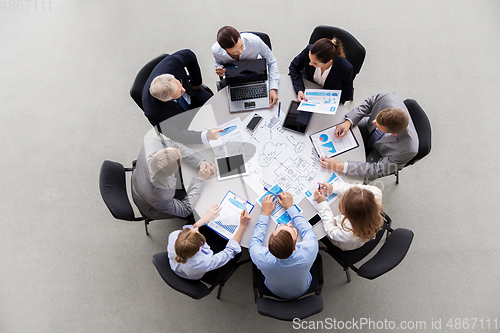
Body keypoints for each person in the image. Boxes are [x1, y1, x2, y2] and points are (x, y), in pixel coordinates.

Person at [320, 92, 419, 181]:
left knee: (345, 180)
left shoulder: (408, 150)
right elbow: (369, 103)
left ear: (393, 133)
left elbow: (377, 170)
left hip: (378, 155)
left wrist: (340, 166)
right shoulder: (388, 98)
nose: (373, 121)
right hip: (366, 130)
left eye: (378, 126)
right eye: (377, 118)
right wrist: (349, 121)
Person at [131, 131, 216, 220]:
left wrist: (200, 162)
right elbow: (185, 210)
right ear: (173, 173)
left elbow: (174, 145)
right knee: (198, 210)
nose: (178, 150)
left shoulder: (152, 143)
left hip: (139, 176)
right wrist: (201, 179)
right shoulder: (161, 197)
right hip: (152, 206)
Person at [249, 192, 318, 300]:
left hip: (274, 290)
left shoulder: (260, 257)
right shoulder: (309, 250)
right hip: (303, 288)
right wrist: (290, 207)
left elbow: (254, 241)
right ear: (295, 247)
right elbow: (307, 230)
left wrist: (265, 213)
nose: (289, 224)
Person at [142, 49, 220, 144]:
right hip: (179, 118)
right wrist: (205, 136)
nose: (184, 90)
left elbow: (189, 54)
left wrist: (196, 82)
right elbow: (177, 135)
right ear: (165, 100)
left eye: (180, 84)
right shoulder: (153, 112)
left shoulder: (172, 64)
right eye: (179, 93)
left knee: (219, 109)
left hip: (194, 95)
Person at [167, 205, 251, 280]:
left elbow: (187, 228)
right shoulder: (204, 262)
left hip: (180, 267)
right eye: (197, 232)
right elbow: (229, 251)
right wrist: (242, 225)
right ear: (200, 247)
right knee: (223, 242)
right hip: (194, 274)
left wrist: (204, 218)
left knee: (207, 229)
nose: (196, 229)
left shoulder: (174, 236)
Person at [211, 26, 279, 109]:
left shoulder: (255, 41)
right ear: (223, 49)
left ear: (239, 35)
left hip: (256, 75)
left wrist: (273, 88)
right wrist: (220, 69)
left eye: (241, 46)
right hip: (235, 79)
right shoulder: (216, 51)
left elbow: (271, 62)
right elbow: (218, 63)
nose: (240, 52)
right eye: (234, 52)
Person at [314, 182, 383, 251]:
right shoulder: (376, 192)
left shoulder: (348, 233)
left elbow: (330, 231)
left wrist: (322, 204)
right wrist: (333, 188)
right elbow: (354, 188)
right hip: (365, 233)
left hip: (348, 243)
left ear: (348, 214)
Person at [289, 37, 354, 104]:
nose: (310, 63)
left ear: (329, 62)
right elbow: (294, 67)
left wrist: (326, 101)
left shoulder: (345, 68)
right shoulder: (308, 50)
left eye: (314, 63)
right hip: (308, 87)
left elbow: (347, 94)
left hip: (327, 97)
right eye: (310, 59)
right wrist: (299, 89)